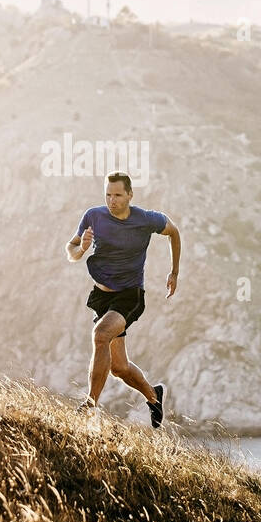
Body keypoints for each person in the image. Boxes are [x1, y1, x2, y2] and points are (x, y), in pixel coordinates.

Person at [64, 171, 180, 427]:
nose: (111, 200)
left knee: (100, 334)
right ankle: (154, 395)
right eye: (108, 194)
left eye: (117, 195)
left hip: (130, 296)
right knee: (119, 367)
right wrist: (82, 248)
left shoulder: (147, 219)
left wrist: (174, 272)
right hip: (102, 297)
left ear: (129, 195)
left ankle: (90, 404)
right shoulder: (93, 216)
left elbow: (174, 232)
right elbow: (70, 251)